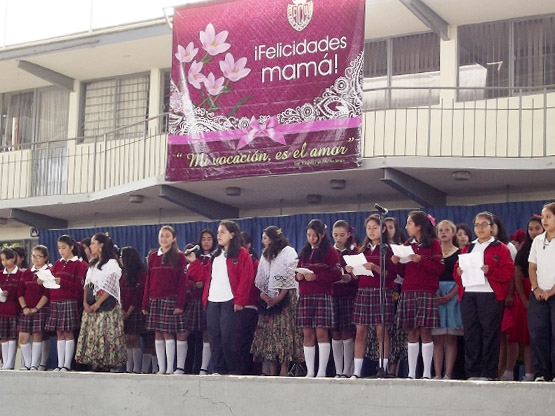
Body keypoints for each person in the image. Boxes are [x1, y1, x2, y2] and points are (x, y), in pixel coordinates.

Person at [454, 211, 514, 380]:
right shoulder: (468, 247)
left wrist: (491, 271)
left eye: (484, 224)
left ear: (491, 227)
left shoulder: (500, 247)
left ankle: (488, 373)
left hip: (490, 295)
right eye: (477, 225)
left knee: (489, 334)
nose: (480, 228)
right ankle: (472, 372)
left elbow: (509, 272)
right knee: (471, 334)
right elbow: (456, 272)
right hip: (470, 293)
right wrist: (459, 272)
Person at [189, 220, 254, 375]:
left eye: (222, 232)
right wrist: (194, 262)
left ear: (232, 234)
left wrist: (240, 299)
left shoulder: (241, 253)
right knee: (214, 337)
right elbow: (202, 275)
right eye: (218, 232)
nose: (219, 235)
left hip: (229, 301)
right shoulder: (215, 255)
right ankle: (218, 369)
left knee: (228, 337)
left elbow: (247, 277)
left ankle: (233, 370)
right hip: (212, 301)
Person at [393, 211, 444, 379]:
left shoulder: (434, 244)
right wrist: (396, 262)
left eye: (409, 223)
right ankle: (411, 372)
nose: (406, 227)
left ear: (419, 226)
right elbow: (402, 272)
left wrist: (420, 259)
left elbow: (439, 268)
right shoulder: (407, 244)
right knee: (412, 332)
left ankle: (427, 372)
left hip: (426, 291)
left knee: (426, 332)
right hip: (408, 291)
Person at [250, 226, 304, 376]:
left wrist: (280, 296)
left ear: (273, 238)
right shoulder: (265, 255)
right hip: (269, 299)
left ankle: (285, 368)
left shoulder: (288, 252)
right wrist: (263, 295)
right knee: (271, 334)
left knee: (284, 332)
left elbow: (291, 275)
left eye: (265, 238)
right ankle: (272, 368)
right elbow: (261, 278)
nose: (263, 241)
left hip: (286, 298)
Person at [348, 214, 396, 378]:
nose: (371, 231)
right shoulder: (362, 249)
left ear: (383, 229)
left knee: (381, 332)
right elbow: (357, 278)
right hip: (363, 292)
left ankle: (383, 367)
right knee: (360, 332)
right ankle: (356, 371)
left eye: (375, 228)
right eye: (369, 228)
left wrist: (375, 267)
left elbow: (391, 276)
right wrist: (352, 271)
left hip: (381, 292)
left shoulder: (388, 250)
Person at [296, 219, 343, 378]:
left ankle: (322, 371)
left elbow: (337, 274)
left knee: (322, 333)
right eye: (308, 235)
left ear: (322, 235)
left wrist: (316, 276)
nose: (311, 239)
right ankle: (310, 371)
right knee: (307, 333)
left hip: (323, 295)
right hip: (305, 295)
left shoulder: (330, 252)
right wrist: (299, 275)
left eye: (314, 236)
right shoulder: (304, 252)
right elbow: (297, 273)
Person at [75, 233, 127, 370]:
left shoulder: (111, 263)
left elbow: (110, 287)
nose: (91, 246)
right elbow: (87, 284)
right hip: (91, 304)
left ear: (101, 245)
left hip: (105, 305)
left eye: (93, 243)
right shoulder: (92, 264)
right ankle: (95, 362)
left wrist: (97, 303)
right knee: (93, 335)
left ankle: (106, 364)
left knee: (104, 335)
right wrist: (86, 303)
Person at [142, 225, 187, 374]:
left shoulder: (179, 256)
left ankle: (170, 368)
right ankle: (161, 368)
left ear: (174, 238)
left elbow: (182, 282)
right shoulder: (153, 257)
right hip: (154, 300)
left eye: (167, 236)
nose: (164, 239)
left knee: (168, 332)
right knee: (157, 333)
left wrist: (180, 304)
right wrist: (145, 303)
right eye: (162, 236)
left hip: (170, 299)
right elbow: (148, 281)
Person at [44, 235, 87, 372]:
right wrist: (45, 281)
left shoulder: (78, 264)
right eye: (59, 248)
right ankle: (59, 363)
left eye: (64, 248)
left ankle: (67, 364)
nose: (61, 251)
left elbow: (79, 286)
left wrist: (61, 282)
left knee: (68, 332)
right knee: (59, 333)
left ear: (71, 247)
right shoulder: (57, 263)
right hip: (56, 300)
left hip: (69, 300)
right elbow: (52, 280)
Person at [509, 216, 544, 381]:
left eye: (537, 228)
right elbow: (517, 277)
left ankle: (546, 372)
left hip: (546, 293)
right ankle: (530, 373)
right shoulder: (523, 251)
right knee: (528, 338)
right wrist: (524, 300)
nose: (534, 231)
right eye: (530, 228)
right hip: (528, 296)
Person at [528, 202, 555, 382]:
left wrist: (552, 291)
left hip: (553, 293)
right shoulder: (538, 240)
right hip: (538, 294)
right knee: (538, 333)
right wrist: (536, 288)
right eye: (543, 216)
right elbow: (532, 267)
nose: (544, 220)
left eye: (548, 217)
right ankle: (542, 373)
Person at [432, 220, 462, 380]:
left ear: (453, 233)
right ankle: (437, 373)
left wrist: (451, 295)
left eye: (447, 230)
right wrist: (435, 292)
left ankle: (448, 373)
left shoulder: (460, 253)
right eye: (441, 230)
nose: (443, 233)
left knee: (450, 337)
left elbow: (461, 277)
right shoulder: (435, 252)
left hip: (453, 293)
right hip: (436, 292)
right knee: (437, 337)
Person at [330, 220, 357, 377]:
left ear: (348, 235)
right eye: (335, 235)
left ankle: (348, 369)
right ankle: (338, 370)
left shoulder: (354, 252)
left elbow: (360, 275)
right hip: (333, 294)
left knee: (347, 331)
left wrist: (351, 277)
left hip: (348, 295)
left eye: (341, 235)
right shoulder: (330, 252)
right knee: (335, 332)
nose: (338, 238)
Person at [17, 245, 50, 370]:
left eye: (38, 256)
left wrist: (36, 308)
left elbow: (47, 294)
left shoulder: (48, 272)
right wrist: (25, 307)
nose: (35, 259)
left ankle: (34, 364)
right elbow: (20, 292)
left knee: (37, 335)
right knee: (23, 336)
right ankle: (27, 363)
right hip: (26, 309)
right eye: (33, 256)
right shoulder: (26, 273)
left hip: (41, 309)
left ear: (45, 257)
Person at [120, 246, 147, 374]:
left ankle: (136, 368)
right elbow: (118, 293)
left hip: (134, 310)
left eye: (122, 257)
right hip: (122, 310)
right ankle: (128, 368)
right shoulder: (122, 273)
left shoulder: (141, 273)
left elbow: (138, 295)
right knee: (126, 340)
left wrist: (128, 312)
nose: (120, 259)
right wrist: (121, 310)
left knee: (134, 339)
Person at [0, 247, 22, 370]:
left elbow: (20, 291)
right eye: (2, 260)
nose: (4, 262)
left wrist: (9, 293)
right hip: (2, 309)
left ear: (13, 258)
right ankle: (4, 362)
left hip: (14, 309)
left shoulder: (20, 274)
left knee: (12, 336)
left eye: (6, 259)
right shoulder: (0, 274)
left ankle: (10, 362)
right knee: (4, 336)